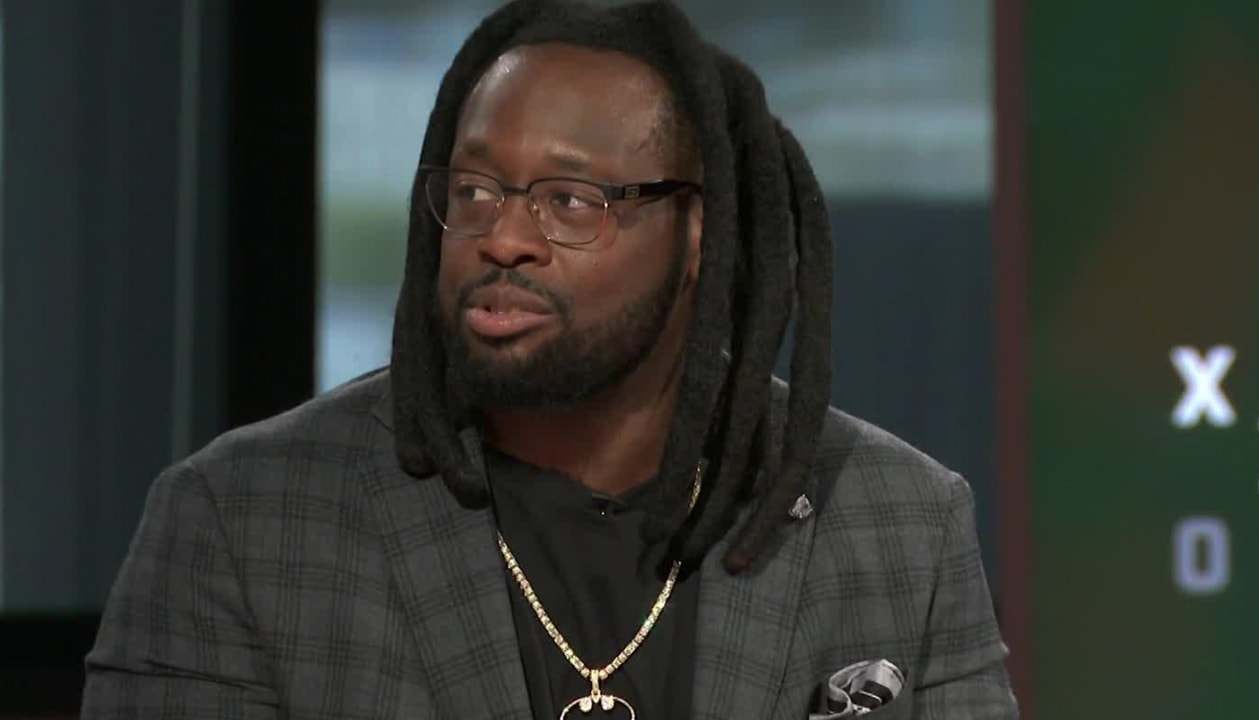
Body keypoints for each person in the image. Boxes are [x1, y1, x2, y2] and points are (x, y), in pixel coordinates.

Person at [81, 1, 1018, 718]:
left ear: (699, 232)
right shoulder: (241, 523)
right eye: (475, 189)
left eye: (570, 201)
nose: (502, 238)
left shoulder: (899, 521)